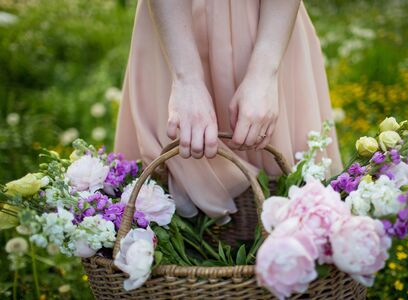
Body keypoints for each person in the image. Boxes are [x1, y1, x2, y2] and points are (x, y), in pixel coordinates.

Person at [114, 0, 342, 224]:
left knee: (293, 187)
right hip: (174, 31)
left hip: (270, 27)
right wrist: (186, 79)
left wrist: (265, 74)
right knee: (158, 199)